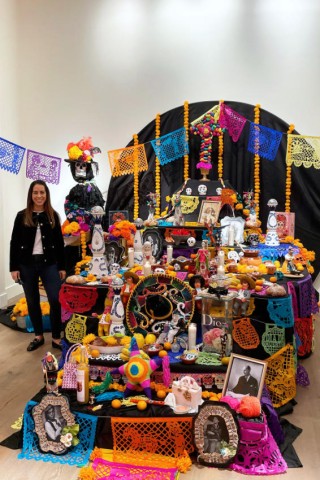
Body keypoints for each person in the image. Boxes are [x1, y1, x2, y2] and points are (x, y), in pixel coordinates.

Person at [10, 180, 66, 352]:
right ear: (31, 195)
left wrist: (62, 266)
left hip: (49, 263)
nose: (39, 196)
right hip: (26, 264)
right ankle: (38, 336)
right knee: (32, 301)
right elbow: (14, 242)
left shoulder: (52, 216)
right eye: (36, 192)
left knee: (55, 300)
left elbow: (59, 243)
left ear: (46, 195)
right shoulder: (22, 216)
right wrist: (13, 267)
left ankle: (56, 338)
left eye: (42, 192)